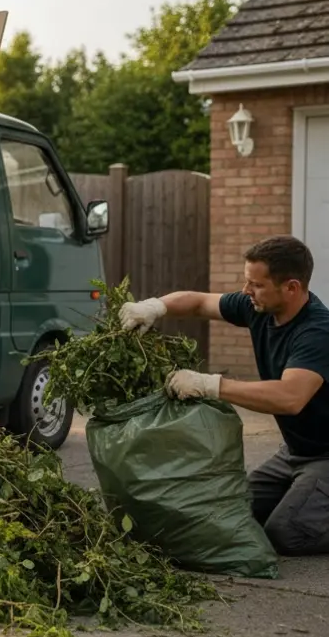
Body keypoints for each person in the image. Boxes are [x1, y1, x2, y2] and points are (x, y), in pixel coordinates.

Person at [118, 235, 329, 557]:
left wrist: (211, 385)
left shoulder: (317, 332)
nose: (246, 291)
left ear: (291, 287)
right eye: (247, 282)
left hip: (326, 456)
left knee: (286, 533)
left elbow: (290, 397)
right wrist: (154, 307)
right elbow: (198, 302)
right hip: (296, 452)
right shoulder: (258, 308)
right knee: (234, 512)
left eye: (256, 285)